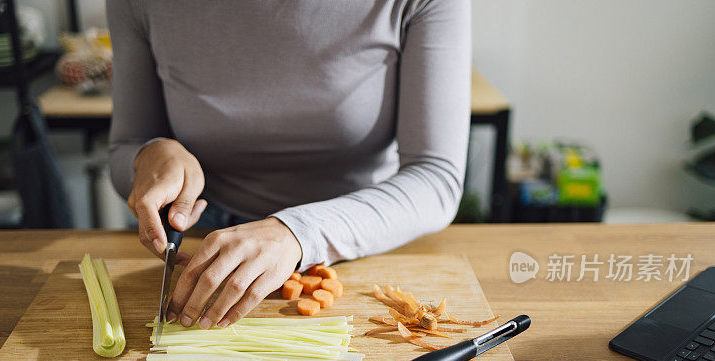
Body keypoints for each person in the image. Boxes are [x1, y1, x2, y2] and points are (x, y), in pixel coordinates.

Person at [107, 0, 471, 329]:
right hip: (201, 240)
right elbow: (125, 148)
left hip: (362, 233)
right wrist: (151, 154)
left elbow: (435, 177)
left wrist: (298, 231)